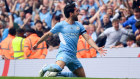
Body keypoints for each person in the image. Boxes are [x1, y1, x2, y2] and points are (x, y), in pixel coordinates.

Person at [33, 3, 106, 77]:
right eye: (76, 10)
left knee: (81, 77)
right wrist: (37, 43)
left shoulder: (79, 25)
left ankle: (57, 75)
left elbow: (87, 38)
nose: (78, 11)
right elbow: (48, 34)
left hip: (73, 56)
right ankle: (45, 68)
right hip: (64, 53)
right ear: (71, 14)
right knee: (58, 68)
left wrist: (97, 48)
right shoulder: (60, 25)